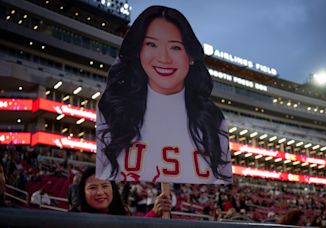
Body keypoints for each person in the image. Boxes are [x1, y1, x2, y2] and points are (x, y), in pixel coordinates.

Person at [96, 5, 232, 184]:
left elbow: (221, 176)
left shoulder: (212, 118)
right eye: (151, 44)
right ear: (139, 51)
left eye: (175, 47)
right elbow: (103, 173)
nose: (164, 58)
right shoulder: (113, 107)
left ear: (190, 56)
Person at [72, 167, 171, 217]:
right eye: (92, 188)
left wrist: (154, 212)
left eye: (105, 186)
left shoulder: (122, 213)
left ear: (113, 189)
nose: (100, 192)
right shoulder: (71, 220)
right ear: (83, 191)